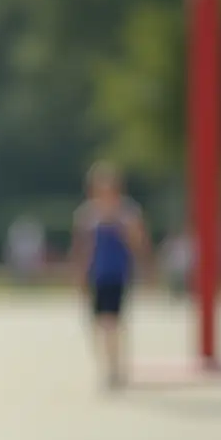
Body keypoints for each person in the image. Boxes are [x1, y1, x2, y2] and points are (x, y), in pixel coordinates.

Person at [71, 161, 151, 388]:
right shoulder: (88, 215)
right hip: (97, 274)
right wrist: (80, 276)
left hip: (117, 275)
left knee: (112, 322)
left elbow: (138, 243)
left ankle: (115, 368)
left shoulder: (127, 213)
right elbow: (82, 249)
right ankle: (107, 366)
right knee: (99, 323)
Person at [4, 214, 46, 285]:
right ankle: (21, 282)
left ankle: (30, 283)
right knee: (21, 269)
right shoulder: (16, 231)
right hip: (21, 254)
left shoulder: (33, 232)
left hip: (28, 254)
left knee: (30, 269)